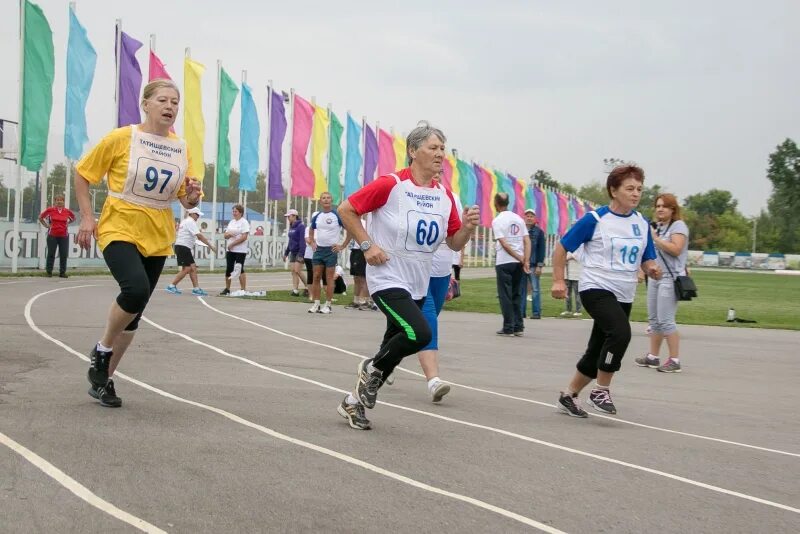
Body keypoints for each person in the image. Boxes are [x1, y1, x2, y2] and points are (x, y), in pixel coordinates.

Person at [335, 122, 479, 430]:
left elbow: (453, 243)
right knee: (420, 333)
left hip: (418, 280)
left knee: (393, 347)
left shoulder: (445, 197)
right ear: (413, 151)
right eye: (433, 148)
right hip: (386, 276)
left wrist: (466, 228)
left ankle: (352, 402)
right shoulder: (391, 185)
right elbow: (346, 209)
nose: (440, 154)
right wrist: (367, 245)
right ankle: (370, 367)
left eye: (442, 148)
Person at [75, 79, 202, 408]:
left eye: (175, 102)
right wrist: (88, 217)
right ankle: (102, 350)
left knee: (135, 313)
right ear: (145, 104)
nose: (170, 106)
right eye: (162, 99)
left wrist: (190, 197)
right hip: (119, 226)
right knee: (134, 290)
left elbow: (183, 199)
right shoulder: (122, 138)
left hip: (158, 234)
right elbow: (82, 173)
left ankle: (103, 380)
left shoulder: (180, 148)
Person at [551, 164, 661, 417]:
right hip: (596, 287)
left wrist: (652, 268)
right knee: (621, 333)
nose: (636, 194)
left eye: (639, 189)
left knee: (597, 349)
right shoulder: (596, 219)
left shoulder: (641, 223)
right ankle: (601, 390)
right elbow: (562, 248)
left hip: (624, 292)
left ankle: (568, 395)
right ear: (613, 190)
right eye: (629, 188)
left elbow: (647, 257)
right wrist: (558, 280)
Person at [635, 193, 689, 373]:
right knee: (654, 319)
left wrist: (656, 238)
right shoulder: (657, 226)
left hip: (670, 277)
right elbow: (649, 253)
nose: (659, 209)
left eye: (664, 206)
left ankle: (674, 360)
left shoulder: (678, 226)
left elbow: (676, 249)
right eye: (657, 206)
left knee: (666, 320)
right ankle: (653, 356)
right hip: (655, 276)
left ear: (673, 209)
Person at [492, 193, 531, 336]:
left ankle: (508, 326)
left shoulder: (497, 221)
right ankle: (518, 326)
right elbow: (527, 241)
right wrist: (525, 260)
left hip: (504, 261)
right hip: (518, 263)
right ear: (508, 203)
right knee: (516, 294)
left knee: (505, 295)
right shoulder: (519, 219)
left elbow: (504, 244)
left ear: (496, 203)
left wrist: (520, 257)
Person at [308, 192, 346, 314]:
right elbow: (311, 229)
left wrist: (342, 245)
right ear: (320, 201)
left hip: (331, 251)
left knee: (329, 278)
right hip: (319, 250)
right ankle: (316, 304)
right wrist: (312, 241)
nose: (326, 200)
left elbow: (349, 229)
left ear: (331, 200)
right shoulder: (317, 216)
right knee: (316, 277)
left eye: (328, 198)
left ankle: (328, 305)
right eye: (323, 198)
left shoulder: (336, 215)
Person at [166, 207, 214, 295]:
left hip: (183, 246)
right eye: (197, 214)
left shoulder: (186, 221)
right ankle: (172, 285)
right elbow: (199, 236)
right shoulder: (190, 222)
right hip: (183, 247)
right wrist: (210, 245)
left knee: (193, 267)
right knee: (187, 268)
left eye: (199, 215)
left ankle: (196, 288)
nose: (198, 216)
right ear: (192, 214)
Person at [38, 193, 76, 278]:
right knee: (51, 253)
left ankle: (62, 272)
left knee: (63, 254)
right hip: (52, 235)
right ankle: (49, 272)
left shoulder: (67, 211)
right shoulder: (50, 210)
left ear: (63, 202)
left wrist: (67, 223)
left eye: (61, 200)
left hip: (64, 236)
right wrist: (46, 225)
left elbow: (73, 218)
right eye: (57, 200)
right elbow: (40, 217)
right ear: (55, 201)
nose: (59, 202)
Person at [520, 208, 545, 319]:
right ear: (524, 218)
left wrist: (540, 266)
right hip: (522, 264)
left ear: (535, 218)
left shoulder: (539, 232)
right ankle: (521, 312)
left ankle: (536, 313)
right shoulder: (520, 231)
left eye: (531, 216)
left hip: (534, 265)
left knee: (535, 289)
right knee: (522, 289)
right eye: (527, 216)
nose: (529, 218)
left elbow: (541, 249)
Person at [220, 204, 249, 296]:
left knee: (239, 269)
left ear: (240, 212)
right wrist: (228, 235)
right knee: (229, 268)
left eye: (236, 211)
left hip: (240, 250)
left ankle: (243, 289)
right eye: (233, 211)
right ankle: (227, 288)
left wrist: (233, 243)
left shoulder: (244, 222)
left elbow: (244, 237)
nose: (234, 213)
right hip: (230, 250)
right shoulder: (231, 222)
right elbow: (225, 235)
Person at [343, 217, 372, 310]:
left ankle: (366, 301)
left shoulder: (364, 223)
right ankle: (356, 301)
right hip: (354, 251)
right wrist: (343, 245)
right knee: (356, 277)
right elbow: (349, 235)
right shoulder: (351, 221)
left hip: (362, 250)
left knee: (363, 277)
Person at [282, 208, 307, 297]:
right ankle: (295, 290)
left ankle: (308, 287)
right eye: (287, 216)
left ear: (294, 216)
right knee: (293, 271)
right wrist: (286, 253)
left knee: (298, 270)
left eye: (289, 216)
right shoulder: (291, 226)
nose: (288, 218)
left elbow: (302, 241)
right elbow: (291, 241)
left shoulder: (301, 226)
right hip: (292, 251)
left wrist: (301, 254)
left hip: (299, 252)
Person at [561, 249, 583, 317]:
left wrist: (567, 258)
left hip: (576, 273)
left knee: (577, 293)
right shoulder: (566, 247)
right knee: (567, 293)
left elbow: (576, 256)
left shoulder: (579, 246)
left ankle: (578, 310)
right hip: (567, 273)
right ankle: (568, 310)